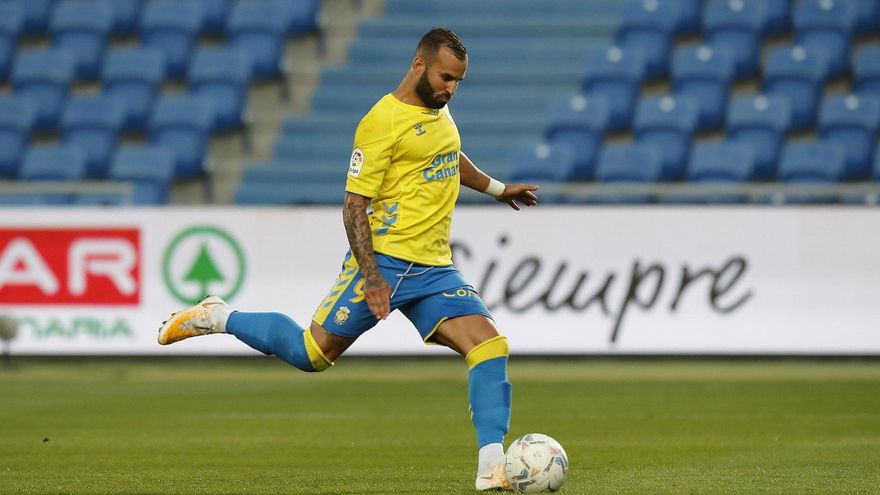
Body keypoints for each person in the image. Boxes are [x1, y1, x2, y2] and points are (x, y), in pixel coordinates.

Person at [158, 27, 539, 491]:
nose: (451, 88)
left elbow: (448, 155)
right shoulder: (381, 122)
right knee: (312, 353)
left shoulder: (440, 112)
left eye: (458, 81)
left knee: (489, 347)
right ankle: (218, 317)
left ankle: (490, 468)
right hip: (385, 262)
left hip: (435, 268)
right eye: (445, 78)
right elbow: (353, 205)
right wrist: (374, 279)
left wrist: (498, 189)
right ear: (418, 65)